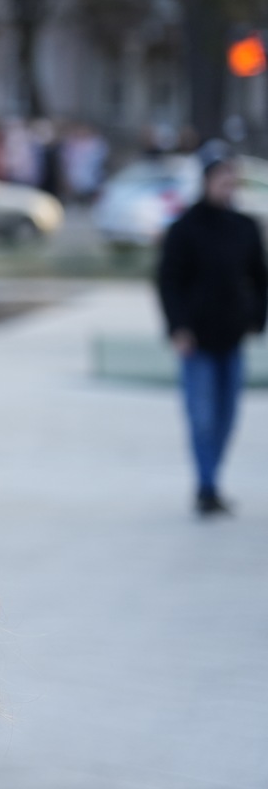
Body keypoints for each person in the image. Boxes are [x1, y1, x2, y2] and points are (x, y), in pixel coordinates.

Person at [156, 140, 268, 516]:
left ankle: (212, 479)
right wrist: (178, 327)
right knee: (201, 417)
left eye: (232, 179)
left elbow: (259, 277)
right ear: (205, 180)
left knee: (225, 417)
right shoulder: (185, 228)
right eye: (221, 178)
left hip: (232, 336)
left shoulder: (245, 227)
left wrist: (257, 316)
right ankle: (206, 486)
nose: (228, 185)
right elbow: (168, 281)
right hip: (197, 340)